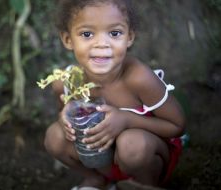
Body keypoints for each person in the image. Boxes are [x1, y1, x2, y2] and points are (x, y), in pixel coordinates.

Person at [44, 0, 185, 189]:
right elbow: (65, 120)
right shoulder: (66, 82)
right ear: (68, 39)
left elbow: (177, 126)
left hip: (144, 159)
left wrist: (126, 120)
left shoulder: (138, 78)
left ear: (129, 37)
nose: (102, 44)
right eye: (87, 34)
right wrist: (66, 118)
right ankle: (97, 180)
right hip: (103, 161)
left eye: (114, 33)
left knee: (131, 144)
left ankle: (143, 185)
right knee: (54, 136)